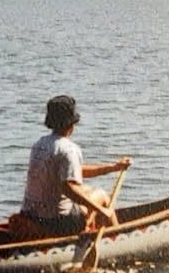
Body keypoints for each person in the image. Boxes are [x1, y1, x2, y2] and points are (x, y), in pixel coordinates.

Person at [15, 95, 131, 237]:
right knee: (101, 195)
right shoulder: (69, 149)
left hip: (31, 215)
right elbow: (69, 188)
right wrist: (101, 210)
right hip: (58, 222)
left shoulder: (39, 144)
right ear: (72, 124)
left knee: (86, 189)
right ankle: (117, 239)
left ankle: (92, 225)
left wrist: (114, 167)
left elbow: (75, 171)